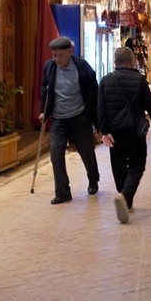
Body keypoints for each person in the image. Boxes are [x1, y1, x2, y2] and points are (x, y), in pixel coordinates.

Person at [98, 46, 151, 224]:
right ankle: (125, 197)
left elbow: (100, 108)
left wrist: (104, 131)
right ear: (132, 60)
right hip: (135, 131)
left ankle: (125, 199)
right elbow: (149, 104)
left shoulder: (105, 80)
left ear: (114, 62)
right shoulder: (139, 80)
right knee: (136, 165)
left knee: (118, 166)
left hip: (114, 131)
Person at [39, 37, 101, 205]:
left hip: (80, 116)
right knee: (56, 154)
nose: (56, 59)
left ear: (69, 52)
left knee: (86, 151)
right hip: (59, 119)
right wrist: (43, 112)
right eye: (54, 56)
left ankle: (93, 179)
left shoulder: (83, 68)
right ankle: (63, 192)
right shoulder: (49, 67)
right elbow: (45, 90)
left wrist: (97, 123)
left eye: (60, 55)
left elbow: (93, 95)